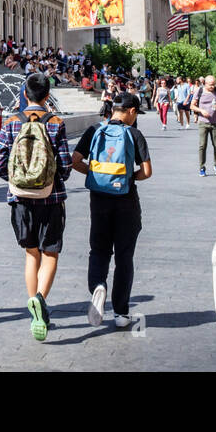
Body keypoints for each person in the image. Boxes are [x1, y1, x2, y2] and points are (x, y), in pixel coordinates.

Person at [0, 72, 71, 342]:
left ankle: (32, 303)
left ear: (25, 94)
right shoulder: (56, 122)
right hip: (52, 197)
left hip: (20, 199)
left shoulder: (12, 122)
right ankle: (40, 299)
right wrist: (49, 177)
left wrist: (16, 180)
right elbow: (65, 164)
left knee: (31, 253)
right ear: (47, 96)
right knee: (50, 253)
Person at [72, 92, 152, 329]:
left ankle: (98, 285)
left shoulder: (95, 130)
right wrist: (127, 178)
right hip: (126, 202)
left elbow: (75, 160)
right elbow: (147, 171)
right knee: (124, 257)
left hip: (99, 201)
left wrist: (96, 176)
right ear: (131, 112)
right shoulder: (134, 133)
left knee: (99, 250)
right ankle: (121, 313)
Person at [192, 76, 216, 176]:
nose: (212, 86)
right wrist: (201, 110)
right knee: (202, 145)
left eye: (214, 84)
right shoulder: (199, 91)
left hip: (215, 122)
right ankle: (202, 167)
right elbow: (192, 106)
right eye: (211, 84)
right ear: (205, 83)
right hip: (203, 122)